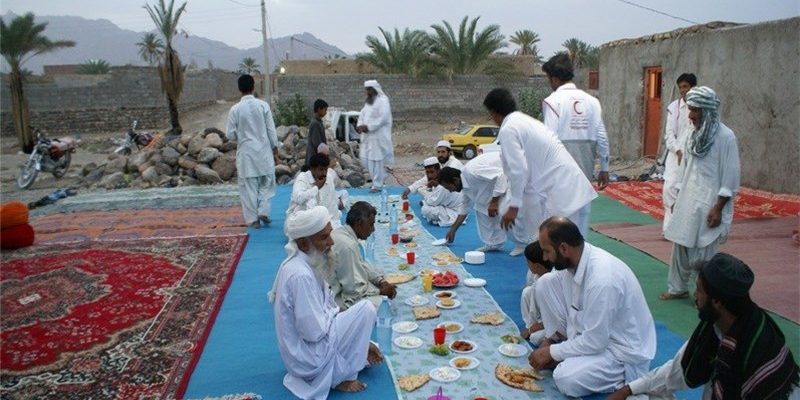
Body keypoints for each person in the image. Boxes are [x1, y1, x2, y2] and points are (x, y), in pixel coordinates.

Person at [609, 253, 799, 400]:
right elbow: (677, 370)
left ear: (717, 301)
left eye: (699, 290)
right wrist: (628, 389)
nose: (695, 296)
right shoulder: (717, 327)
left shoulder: (756, 347)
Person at [530, 217, 656, 397]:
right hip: (593, 336)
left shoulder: (602, 279)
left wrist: (554, 352)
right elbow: (576, 314)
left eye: (547, 251)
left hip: (620, 352)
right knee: (545, 283)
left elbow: (597, 341)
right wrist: (554, 344)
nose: (544, 258)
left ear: (564, 248)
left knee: (565, 377)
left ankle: (624, 379)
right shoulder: (574, 262)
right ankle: (560, 342)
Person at [268, 206, 383, 399]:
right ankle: (342, 377)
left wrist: (363, 341)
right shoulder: (300, 275)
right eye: (324, 237)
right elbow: (313, 332)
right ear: (304, 243)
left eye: (330, 234)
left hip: (313, 344)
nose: (331, 242)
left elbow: (328, 308)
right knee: (366, 309)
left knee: (357, 317)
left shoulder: (309, 261)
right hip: (307, 357)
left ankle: (353, 358)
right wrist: (353, 332)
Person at [483, 88, 597, 238]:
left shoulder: (509, 129)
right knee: (564, 248)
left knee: (553, 247)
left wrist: (514, 207)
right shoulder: (524, 121)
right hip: (570, 188)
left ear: (494, 112)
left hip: (561, 192)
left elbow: (519, 170)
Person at [661, 87, 741, 301]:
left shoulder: (726, 137)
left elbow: (731, 176)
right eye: (690, 109)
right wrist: (678, 197)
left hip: (710, 202)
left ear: (708, 111)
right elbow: (684, 168)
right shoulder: (691, 133)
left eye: (696, 110)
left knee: (705, 252)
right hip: (688, 198)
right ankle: (677, 288)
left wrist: (718, 207)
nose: (691, 115)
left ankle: (704, 293)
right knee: (681, 244)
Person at [438, 152, 530, 256]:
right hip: (501, 183)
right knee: (480, 207)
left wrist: (494, 202)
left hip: (513, 175)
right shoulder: (465, 187)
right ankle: (494, 243)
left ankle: (522, 244)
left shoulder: (472, 172)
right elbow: (463, 209)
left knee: (505, 209)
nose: (450, 191)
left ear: (455, 180)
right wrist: (453, 229)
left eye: (448, 187)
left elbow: (501, 176)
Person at [542, 53, 611, 190]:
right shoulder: (593, 102)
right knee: (583, 209)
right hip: (585, 173)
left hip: (560, 175)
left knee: (559, 211)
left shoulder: (552, 102)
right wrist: (604, 168)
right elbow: (602, 138)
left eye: (549, 79)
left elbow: (549, 139)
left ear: (554, 79)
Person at [226, 74, 280, 229]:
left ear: (239, 89)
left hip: (246, 154)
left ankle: (253, 220)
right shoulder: (263, 106)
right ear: (253, 87)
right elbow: (271, 130)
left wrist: (241, 135)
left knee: (248, 187)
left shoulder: (235, 109)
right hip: (263, 152)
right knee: (267, 182)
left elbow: (229, 134)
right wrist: (275, 147)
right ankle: (263, 210)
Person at [328, 201, 397, 309]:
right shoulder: (348, 246)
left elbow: (360, 264)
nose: (373, 229)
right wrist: (380, 291)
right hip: (340, 297)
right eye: (371, 224)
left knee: (380, 274)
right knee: (383, 304)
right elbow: (354, 290)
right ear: (359, 223)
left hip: (346, 284)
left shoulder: (342, 232)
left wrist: (380, 281)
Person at [661, 73, 697, 234]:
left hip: (695, 154)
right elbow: (669, 134)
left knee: (688, 190)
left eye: (686, 87)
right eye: (680, 87)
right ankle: (669, 227)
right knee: (669, 188)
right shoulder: (674, 108)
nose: (683, 90)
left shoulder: (698, 107)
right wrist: (677, 150)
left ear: (693, 88)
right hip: (675, 154)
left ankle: (683, 228)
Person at [356, 80, 394, 192]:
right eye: (366, 89)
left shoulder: (383, 100)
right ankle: (376, 182)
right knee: (365, 160)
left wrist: (368, 127)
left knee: (377, 160)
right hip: (368, 137)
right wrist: (359, 126)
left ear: (375, 89)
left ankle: (377, 185)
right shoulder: (369, 102)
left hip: (378, 137)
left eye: (369, 89)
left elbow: (383, 118)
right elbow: (362, 114)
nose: (367, 92)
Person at [287, 153, 342, 230]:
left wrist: (335, 224)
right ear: (312, 169)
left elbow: (332, 207)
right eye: (321, 169)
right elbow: (299, 199)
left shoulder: (328, 178)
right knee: (312, 204)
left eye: (325, 169)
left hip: (322, 221)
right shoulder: (302, 178)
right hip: (301, 221)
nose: (324, 173)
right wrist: (316, 188)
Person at [519, 241, 553, 346]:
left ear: (537, 266)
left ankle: (552, 341)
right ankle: (529, 326)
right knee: (526, 292)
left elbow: (559, 317)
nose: (527, 265)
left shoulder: (550, 283)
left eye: (528, 262)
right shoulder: (537, 274)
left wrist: (541, 325)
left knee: (535, 338)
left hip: (556, 323)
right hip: (542, 318)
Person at [305, 99, 329, 168]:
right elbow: (317, 143)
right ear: (319, 109)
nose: (326, 112)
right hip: (314, 157)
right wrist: (325, 154)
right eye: (325, 110)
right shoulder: (315, 123)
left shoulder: (318, 122)